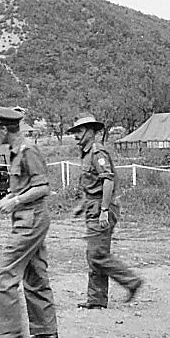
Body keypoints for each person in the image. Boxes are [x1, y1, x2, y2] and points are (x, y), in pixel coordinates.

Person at [0, 106, 58, 338]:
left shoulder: (28, 151)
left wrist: (15, 201)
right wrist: (10, 196)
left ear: (5, 128)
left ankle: (10, 330)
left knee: (4, 273)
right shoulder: (16, 152)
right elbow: (26, 186)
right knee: (35, 273)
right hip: (26, 218)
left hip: (32, 220)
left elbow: (43, 188)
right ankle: (45, 332)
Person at [67, 113, 143, 309]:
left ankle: (131, 281)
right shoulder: (86, 154)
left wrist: (103, 210)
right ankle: (96, 300)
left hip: (102, 208)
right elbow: (93, 185)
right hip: (93, 206)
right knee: (96, 253)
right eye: (75, 132)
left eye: (80, 131)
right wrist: (82, 206)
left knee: (96, 255)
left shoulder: (97, 153)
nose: (77, 135)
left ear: (91, 132)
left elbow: (107, 181)